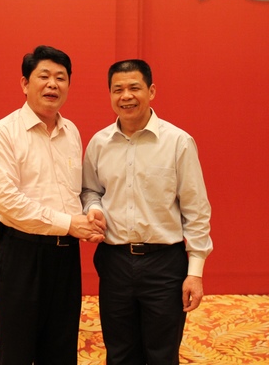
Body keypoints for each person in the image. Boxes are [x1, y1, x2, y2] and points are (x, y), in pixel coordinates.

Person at [81, 59, 213, 365]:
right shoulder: (99, 143)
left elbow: (196, 210)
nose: (126, 96)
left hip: (164, 265)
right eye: (118, 89)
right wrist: (95, 208)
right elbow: (89, 191)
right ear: (110, 95)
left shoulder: (178, 142)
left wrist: (195, 273)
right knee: (119, 353)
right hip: (114, 262)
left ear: (151, 91)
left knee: (161, 354)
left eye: (134, 88)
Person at [0, 45, 105, 364]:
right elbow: (7, 201)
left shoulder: (71, 132)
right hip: (21, 255)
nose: (53, 84)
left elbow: (74, 192)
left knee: (61, 349)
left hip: (65, 257)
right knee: (17, 350)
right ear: (25, 84)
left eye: (61, 78)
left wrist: (90, 215)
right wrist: (69, 224)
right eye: (44, 76)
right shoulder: (3, 133)